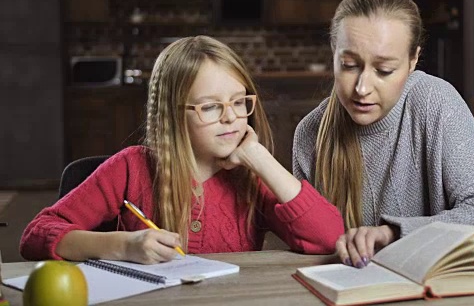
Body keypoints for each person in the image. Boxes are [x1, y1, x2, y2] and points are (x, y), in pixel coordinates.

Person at [21, 36, 344, 264]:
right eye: (211, 107)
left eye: (239, 101)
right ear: (173, 114)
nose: (232, 116)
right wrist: (122, 245)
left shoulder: (251, 178)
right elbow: (36, 235)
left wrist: (260, 158)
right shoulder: (131, 168)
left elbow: (328, 238)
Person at [292, 0, 474, 268]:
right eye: (349, 65)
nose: (363, 88)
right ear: (334, 53)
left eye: (384, 71)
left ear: (413, 60)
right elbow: (307, 243)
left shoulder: (436, 102)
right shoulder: (309, 133)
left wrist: (394, 233)